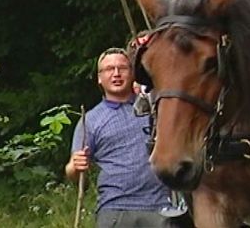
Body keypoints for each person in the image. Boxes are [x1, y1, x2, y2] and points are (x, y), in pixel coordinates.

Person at [65, 47, 178, 228]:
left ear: (133, 73)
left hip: (161, 207)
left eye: (122, 68)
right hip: (115, 210)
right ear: (99, 78)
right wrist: (75, 166)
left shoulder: (155, 108)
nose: (116, 74)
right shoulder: (90, 121)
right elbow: (73, 173)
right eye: (109, 69)